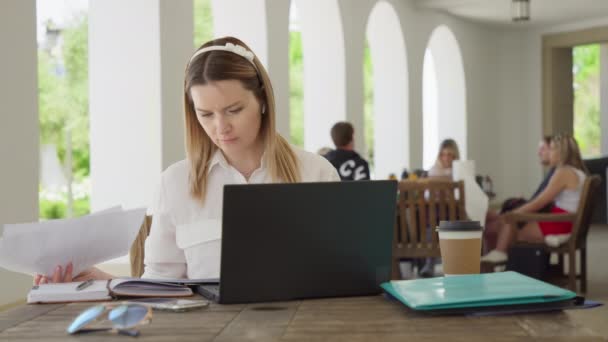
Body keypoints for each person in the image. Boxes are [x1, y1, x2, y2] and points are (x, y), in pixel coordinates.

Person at [34, 36, 340, 284]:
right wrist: (102, 281)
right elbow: (161, 283)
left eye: (234, 110)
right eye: (205, 114)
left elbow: (340, 276)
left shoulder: (316, 172)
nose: (221, 127)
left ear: (262, 101)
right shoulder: (175, 183)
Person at [481, 134, 588, 263]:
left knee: (510, 230)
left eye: (552, 149)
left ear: (561, 152)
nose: (550, 153)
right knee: (507, 224)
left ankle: (500, 255)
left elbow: (540, 201)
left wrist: (515, 214)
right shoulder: (578, 172)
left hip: (562, 223)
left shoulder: (563, 172)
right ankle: (500, 257)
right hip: (568, 221)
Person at [482, 136, 555, 253]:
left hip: (530, 218)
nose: (538, 153)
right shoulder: (553, 173)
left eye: (542, 148)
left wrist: (514, 213)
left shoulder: (557, 174)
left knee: (490, 227)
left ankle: (493, 263)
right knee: (488, 219)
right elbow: (539, 201)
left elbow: (540, 204)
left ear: (553, 150)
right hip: (529, 215)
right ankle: (492, 262)